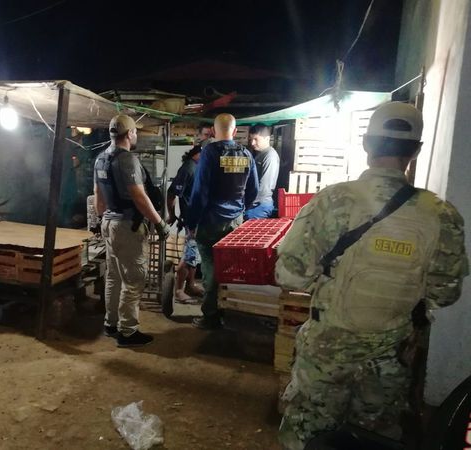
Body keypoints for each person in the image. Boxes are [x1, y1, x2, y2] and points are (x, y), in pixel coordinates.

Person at [275, 102, 469, 449]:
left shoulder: (332, 201)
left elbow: (290, 276)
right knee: (374, 437)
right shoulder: (442, 214)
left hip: (326, 350)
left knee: (310, 433)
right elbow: (445, 293)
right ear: (416, 151)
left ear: (367, 144)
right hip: (391, 354)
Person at [93, 114, 170, 348]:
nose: (136, 135)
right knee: (134, 278)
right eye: (135, 132)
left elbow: (98, 196)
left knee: (114, 277)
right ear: (129, 135)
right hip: (127, 226)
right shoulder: (127, 160)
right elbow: (139, 195)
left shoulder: (100, 159)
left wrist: (100, 220)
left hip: (108, 222)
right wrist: (159, 223)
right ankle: (128, 331)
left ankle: (111, 324)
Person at [186, 113, 258, 330]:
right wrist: (240, 209)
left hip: (211, 221)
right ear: (235, 132)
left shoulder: (210, 152)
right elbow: (253, 191)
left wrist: (191, 222)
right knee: (230, 269)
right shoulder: (246, 154)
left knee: (211, 269)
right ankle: (229, 309)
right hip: (235, 222)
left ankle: (211, 316)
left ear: (215, 132)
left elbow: (200, 193)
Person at [166, 125, 212, 303]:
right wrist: (171, 215)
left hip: (202, 219)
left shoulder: (202, 167)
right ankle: (179, 290)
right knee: (189, 255)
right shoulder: (189, 168)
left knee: (195, 256)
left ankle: (191, 285)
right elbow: (172, 194)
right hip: (191, 220)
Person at [244, 124, 280, 219]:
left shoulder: (270, 156)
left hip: (259, 205)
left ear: (267, 139)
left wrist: (248, 202)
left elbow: (265, 187)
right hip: (254, 204)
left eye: (256, 139)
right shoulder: (260, 154)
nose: (252, 143)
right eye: (251, 139)